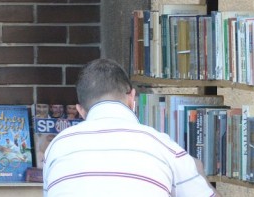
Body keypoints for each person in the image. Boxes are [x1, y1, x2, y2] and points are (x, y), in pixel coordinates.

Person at [42, 59, 216, 197]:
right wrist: (199, 172)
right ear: (132, 98)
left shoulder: (57, 145)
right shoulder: (163, 146)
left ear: (80, 111)